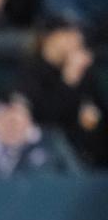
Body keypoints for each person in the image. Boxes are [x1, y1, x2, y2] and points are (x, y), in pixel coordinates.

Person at [12, 16, 108, 169]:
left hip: (91, 156)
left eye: (76, 33)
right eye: (67, 33)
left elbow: (96, 110)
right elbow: (43, 120)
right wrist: (69, 80)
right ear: (48, 38)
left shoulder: (85, 73)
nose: (75, 39)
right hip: (47, 157)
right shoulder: (30, 72)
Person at [0, 89, 84, 177]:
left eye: (17, 121)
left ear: (28, 121)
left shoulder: (52, 143)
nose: (11, 127)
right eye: (5, 120)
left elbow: (78, 179)